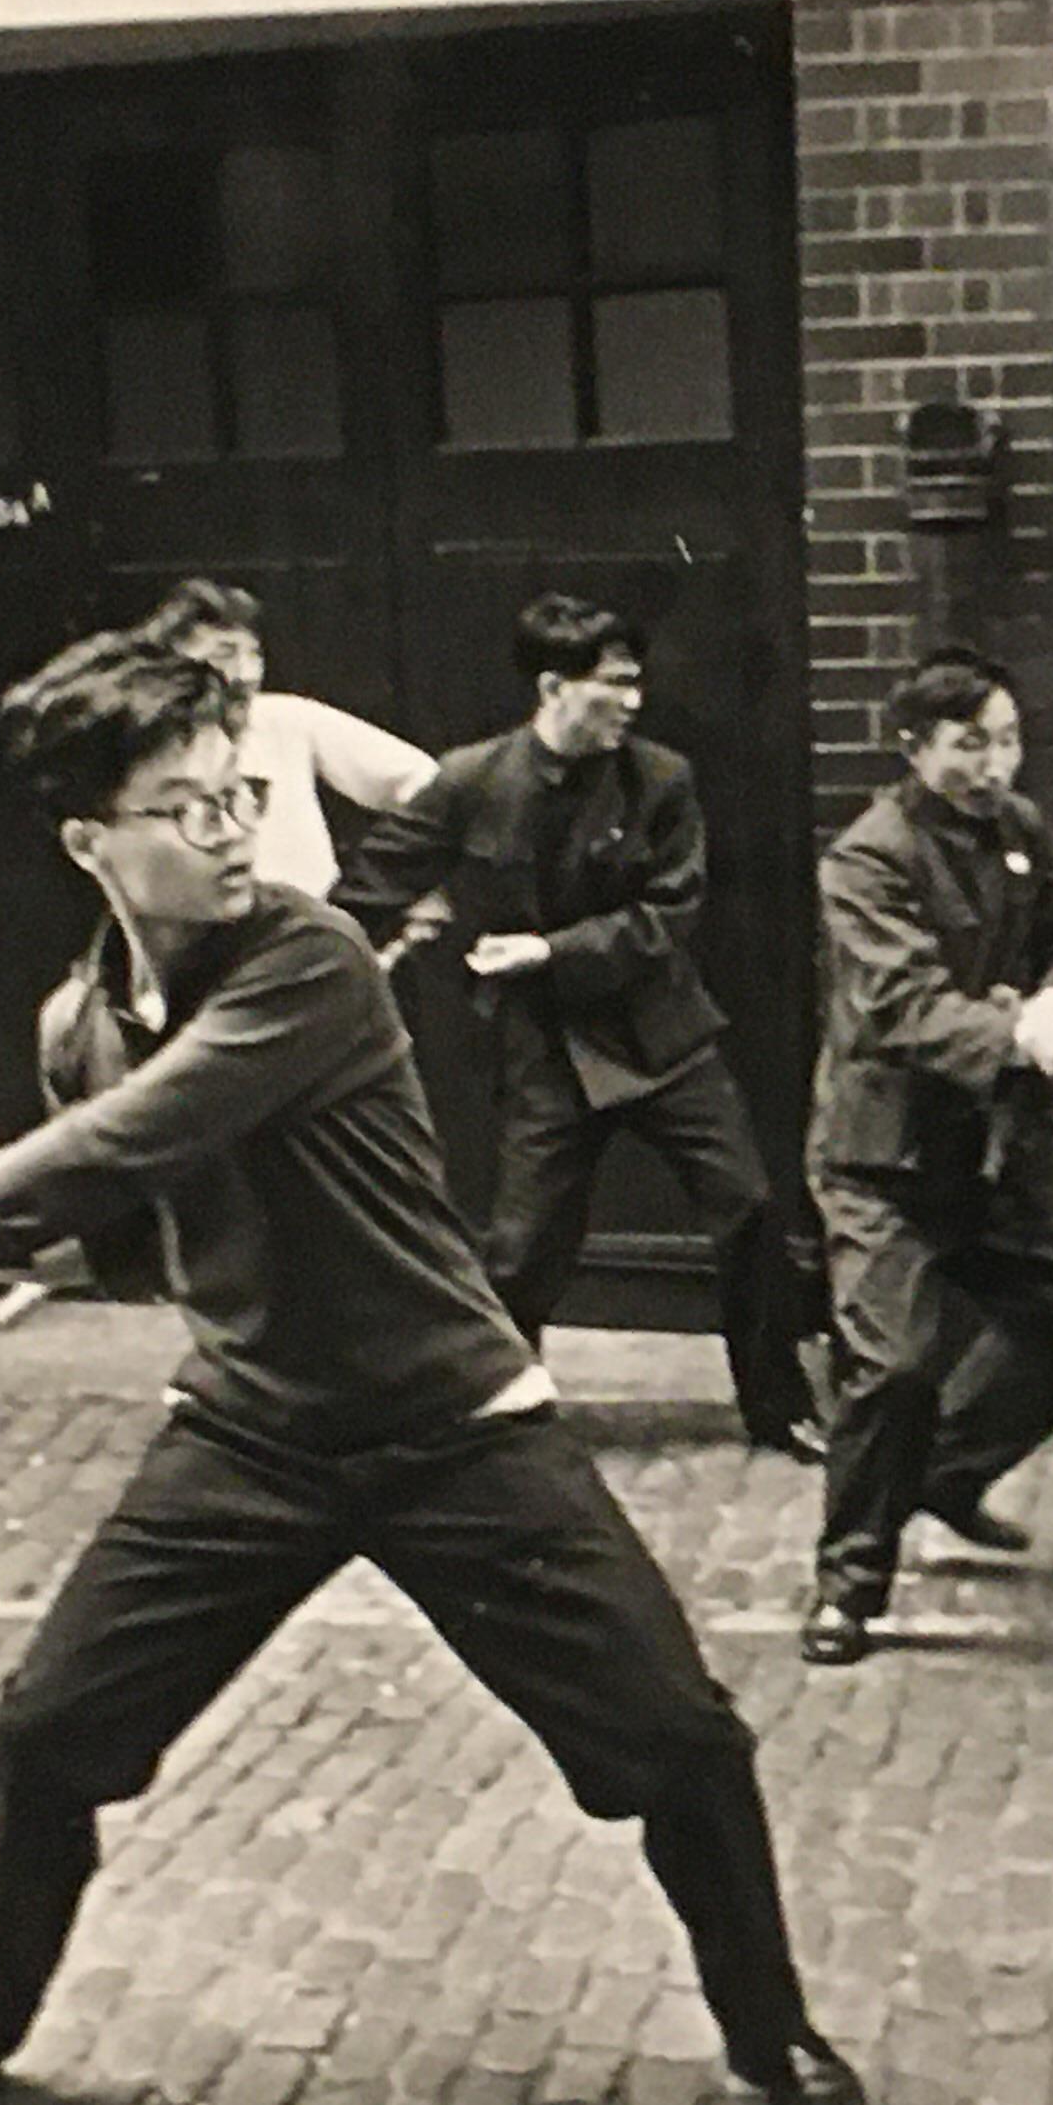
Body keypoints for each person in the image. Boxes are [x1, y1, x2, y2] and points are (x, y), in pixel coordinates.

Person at [0, 629, 872, 2105]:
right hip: (250, 1435)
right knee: (41, 1742)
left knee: (680, 1742)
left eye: (240, 796)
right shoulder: (75, 1026)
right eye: (188, 808)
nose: (234, 833)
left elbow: (141, 1135)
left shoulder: (310, 959)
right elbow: (106, 1201)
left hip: (457, 1427)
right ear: (89, 840)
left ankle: (776, 2037)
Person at [340, 594, 822, 1462]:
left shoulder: (661, 780)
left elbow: (668, 913)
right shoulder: (472, 781)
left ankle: (778, 1405)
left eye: (637, 684)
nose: (633, 703)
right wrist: (318, 951)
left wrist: (546, 950)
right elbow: (373, 882)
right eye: (615, 687)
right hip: (548, 1052)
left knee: (749, 1209)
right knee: (522, 1250)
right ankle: (498, 1412)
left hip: (661, 1037)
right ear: (554, 687)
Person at [797, 645, 1053, 1668]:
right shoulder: (868, 858)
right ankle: (848, 1584)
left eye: (1009, 738)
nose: (997, 763)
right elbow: (898, 1005)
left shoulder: (1019, 830)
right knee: (890, 1368)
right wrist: (1010, 1033)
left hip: (982, 1154)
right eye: (972, 743)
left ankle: (942, 1475)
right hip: (883, 1158)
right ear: (916, 747)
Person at [133, 578, 436, 906]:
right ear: (174, 662)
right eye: (225, 655)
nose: (247, 673)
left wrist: (374, 886)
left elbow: (425, 784)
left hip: (311, 934)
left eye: (254, 654)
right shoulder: (147, 750)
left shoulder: (285, 719)